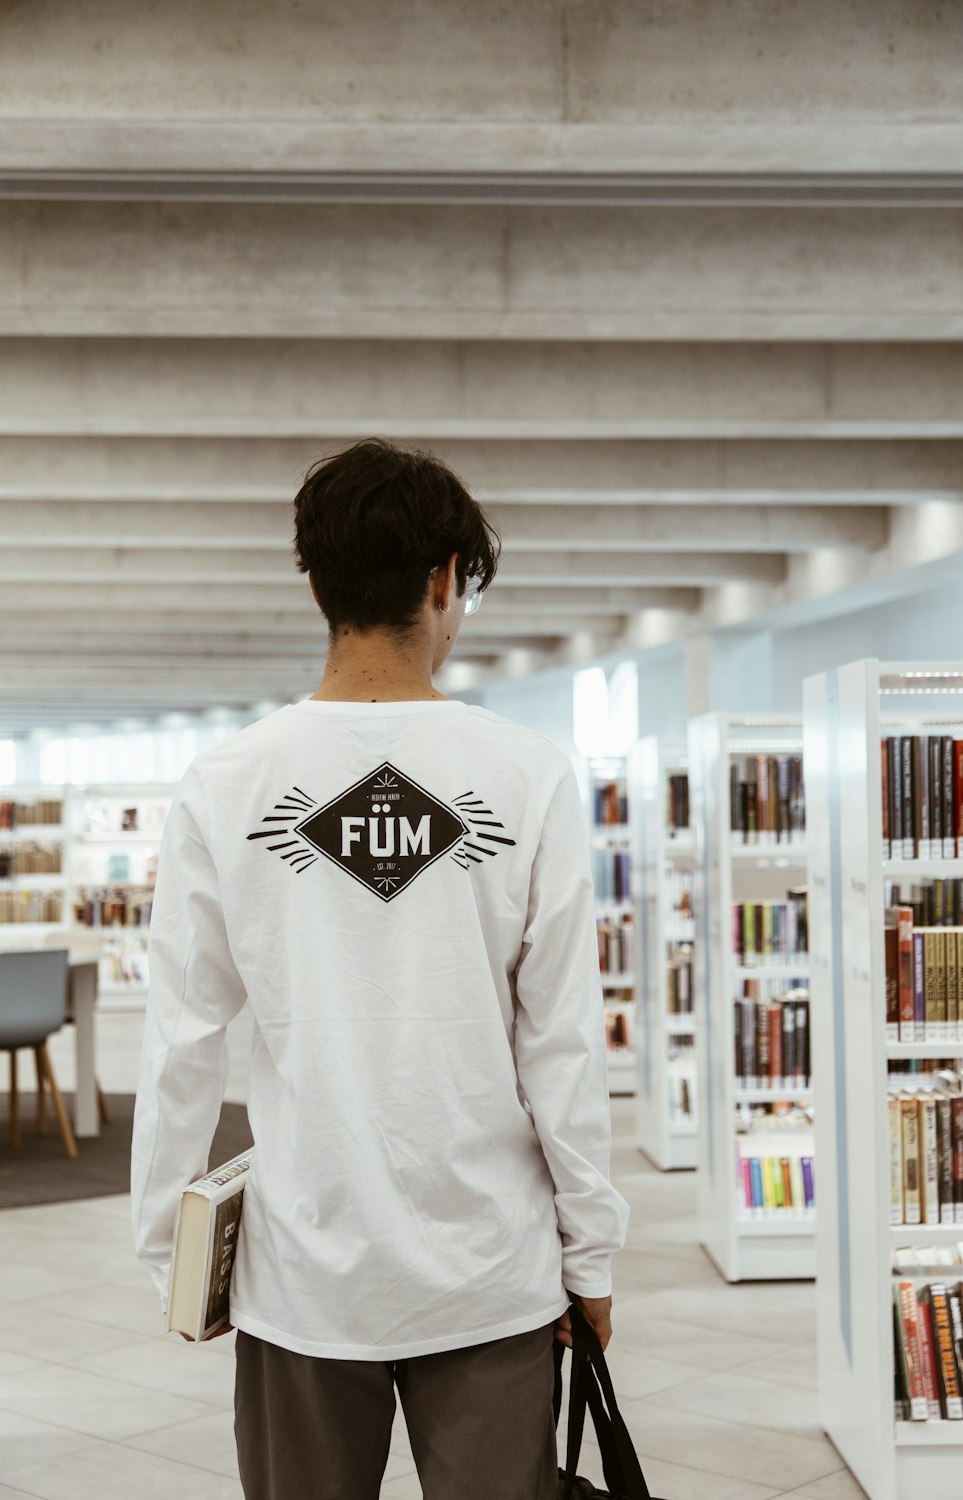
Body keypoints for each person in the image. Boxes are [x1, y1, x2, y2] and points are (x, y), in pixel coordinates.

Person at [131, 437, 630, 1500]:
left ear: (314, 580)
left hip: (303, 1270)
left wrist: (161, 1243)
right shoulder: (529, 774)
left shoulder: (225, 782)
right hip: (489, 1270)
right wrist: (590, 1254)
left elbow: (182, 1033)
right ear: (446, 581)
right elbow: (561, 1045)